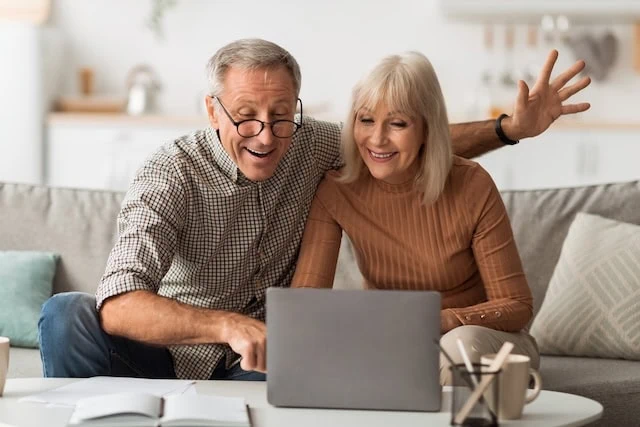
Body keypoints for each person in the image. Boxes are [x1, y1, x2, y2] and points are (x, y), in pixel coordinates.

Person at [38, 38, 590, 381]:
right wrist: (226, 325)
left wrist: (508, 129)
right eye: (245, 115)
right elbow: (117, 302)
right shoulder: (171, 173)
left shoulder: (315, 147)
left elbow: (401, 142)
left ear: (298, 107)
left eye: (281, 114)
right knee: (67, 315)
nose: (265, 135)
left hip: (261, 361)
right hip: (175, 348)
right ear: (212, 109)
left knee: (300, 392)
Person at [290, 50, 553, 384]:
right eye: (366, 119)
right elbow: (304, 304)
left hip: (489, 342)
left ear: (427, 128)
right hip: (399, 344)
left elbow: (516, 306)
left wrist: (438, 321)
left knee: (460, 345)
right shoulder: (337, 189)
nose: (377, 138)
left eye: (397, 123)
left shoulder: (472, 184)